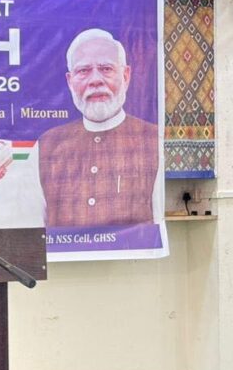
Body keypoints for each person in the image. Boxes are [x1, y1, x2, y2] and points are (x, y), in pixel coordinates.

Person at [35, 28, 160, 228]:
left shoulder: (154, 141)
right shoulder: (46, 147)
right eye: (83, 71)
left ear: (126, 76)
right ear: (70, 81)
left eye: (106, 69)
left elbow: (160, 226)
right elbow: (31, 229)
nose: (95, 80)